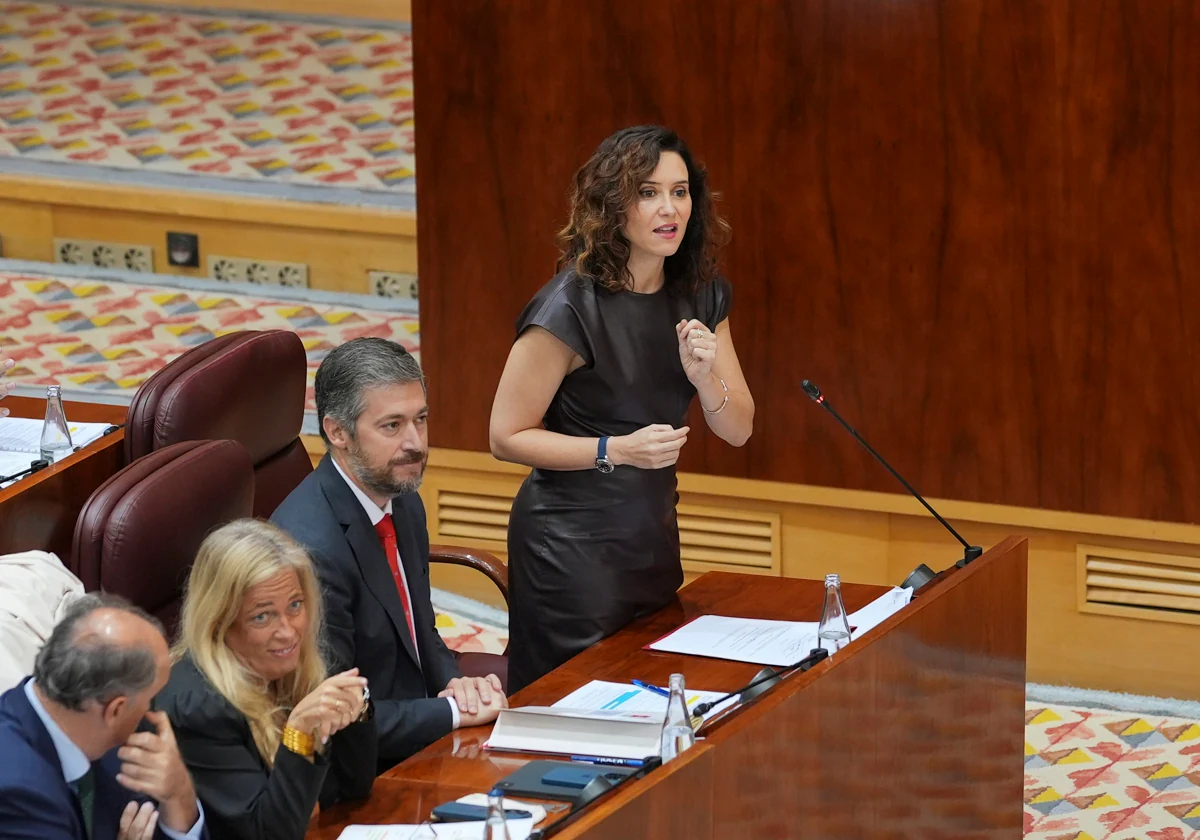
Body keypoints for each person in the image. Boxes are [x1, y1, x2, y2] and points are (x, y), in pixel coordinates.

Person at [490, 125, 756, 692]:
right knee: (577, 713)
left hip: (651, 537)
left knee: (652, 698)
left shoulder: (702, 293)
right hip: (569, 549)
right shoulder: (570, 306)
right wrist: (615, 450)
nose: (669, 209)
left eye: (680, 192)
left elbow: (738, 429)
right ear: (614, 206)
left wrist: (707, 380)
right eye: (648, 192)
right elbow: (505, 435)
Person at [272, 337, 507, 771]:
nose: (415, 443)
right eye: (392, 426)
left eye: (421, 419)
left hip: (414, 712)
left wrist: (458, 685)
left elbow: (420, 630)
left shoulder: (399, 495)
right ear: (337, 432)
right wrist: (454, 712)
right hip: (361, 764)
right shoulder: (311, 553)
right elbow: (335, 722)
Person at [156, 519, 376, 840]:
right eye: (262, 615)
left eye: (295, 606)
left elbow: (352, 787)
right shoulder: (200, 708)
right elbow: (268, 835)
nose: (288, 631)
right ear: (220, 622)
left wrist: (357, 708)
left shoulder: (291, 665)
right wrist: (299, 735)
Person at [0, 593, 205, 840]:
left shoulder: (105, 742)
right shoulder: (16, 794)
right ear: (116, 710)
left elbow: (151, 823)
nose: (154, 713)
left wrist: (179, 790)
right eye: (150, 699)